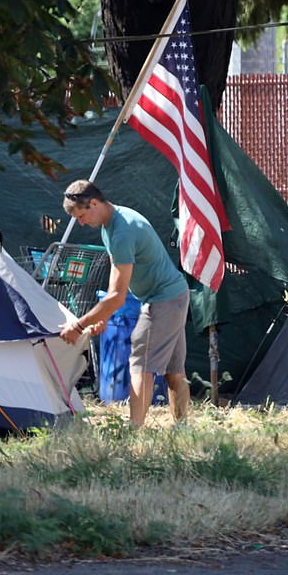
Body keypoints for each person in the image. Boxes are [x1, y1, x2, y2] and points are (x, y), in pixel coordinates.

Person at [58, 179, 190, 426]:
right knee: (174, 373)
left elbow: (117, 297)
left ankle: (134, 433)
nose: (81, 223)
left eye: (81, 216)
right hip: (174, 296)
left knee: (140, 365)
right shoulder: (110, 224)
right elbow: (115, 279)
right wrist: (103, 317)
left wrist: (77, 327)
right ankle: (182, 429)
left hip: (163, 301)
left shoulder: (122, 231)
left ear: (94, 203)